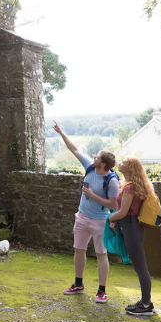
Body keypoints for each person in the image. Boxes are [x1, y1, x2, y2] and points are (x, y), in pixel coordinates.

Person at [53, 121, 119, 303]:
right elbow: (74, 149)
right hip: (82, 217)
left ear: (103, 164)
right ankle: (78, 284)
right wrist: (61, 132)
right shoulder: (90, 167)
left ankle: (101, 291)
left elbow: (113, 205)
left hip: (100, 221)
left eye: (97, 157)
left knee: (101, 254)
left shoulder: (112, 181)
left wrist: (91, 195)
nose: (93, 157)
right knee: (79, 250)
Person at [109, 156, 155, 316]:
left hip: (131, 227)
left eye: (122, 163)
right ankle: (145, 302)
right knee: (140, 266)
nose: (119, 164)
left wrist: (109, 218)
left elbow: (123, 211)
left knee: (141, 267)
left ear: (129, 168)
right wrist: (116, 220)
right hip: (130, 226)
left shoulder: (130, 188)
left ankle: (146, 304)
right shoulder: (132, 185)